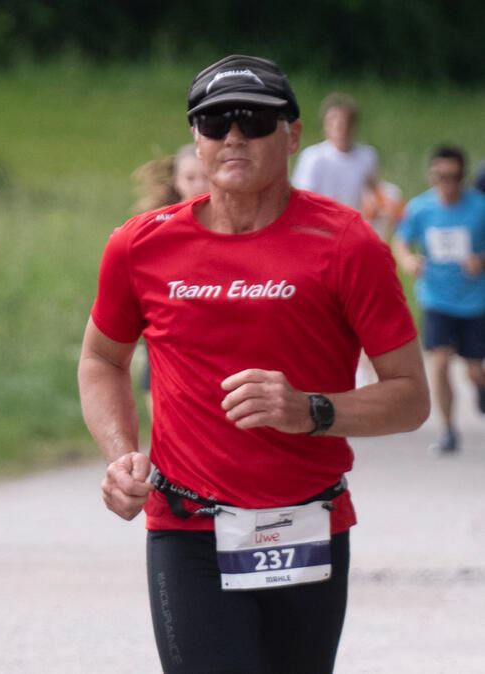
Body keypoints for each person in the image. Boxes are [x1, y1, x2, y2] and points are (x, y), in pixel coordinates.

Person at [78, 54, 429, 673]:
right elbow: (102, 359)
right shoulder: (139, 246)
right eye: (214, 122)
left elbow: (409, 397)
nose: (233, 135)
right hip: (187, 526)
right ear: (196, 137)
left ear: (293, 134)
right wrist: (121, 453)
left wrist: (311, 410)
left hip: (306, 523)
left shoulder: (347, 245)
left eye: (254, 120)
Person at [391, 145, 485, 454]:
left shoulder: (479, 207)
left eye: (454, 177)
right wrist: (408, 260)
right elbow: (402, 241)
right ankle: (448, 430)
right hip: (437, 298)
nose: (447, 184)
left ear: (462, 176)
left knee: (474, 369)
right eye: (441, 176)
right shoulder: (421, 208)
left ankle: (480, 387)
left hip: (474, 301)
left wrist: (480, 260)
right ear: (432, 175)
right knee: (440, 363)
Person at [131, 143, 209, 423]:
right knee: (166, 432)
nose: (199, 185)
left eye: (205, 176)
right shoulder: (156, 229)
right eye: (190, 178)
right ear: (176, 182)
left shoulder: (235, 227)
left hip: (212, 350)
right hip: (165, 349)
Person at [292, 92, 380, 211]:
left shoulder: (368, 155)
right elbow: (303, 199)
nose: (340, 127)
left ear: (354, 125)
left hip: (353, 221)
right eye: (333, 122)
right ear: (325, 126)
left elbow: (374, 194)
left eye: (345, 122)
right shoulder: (312, 157)